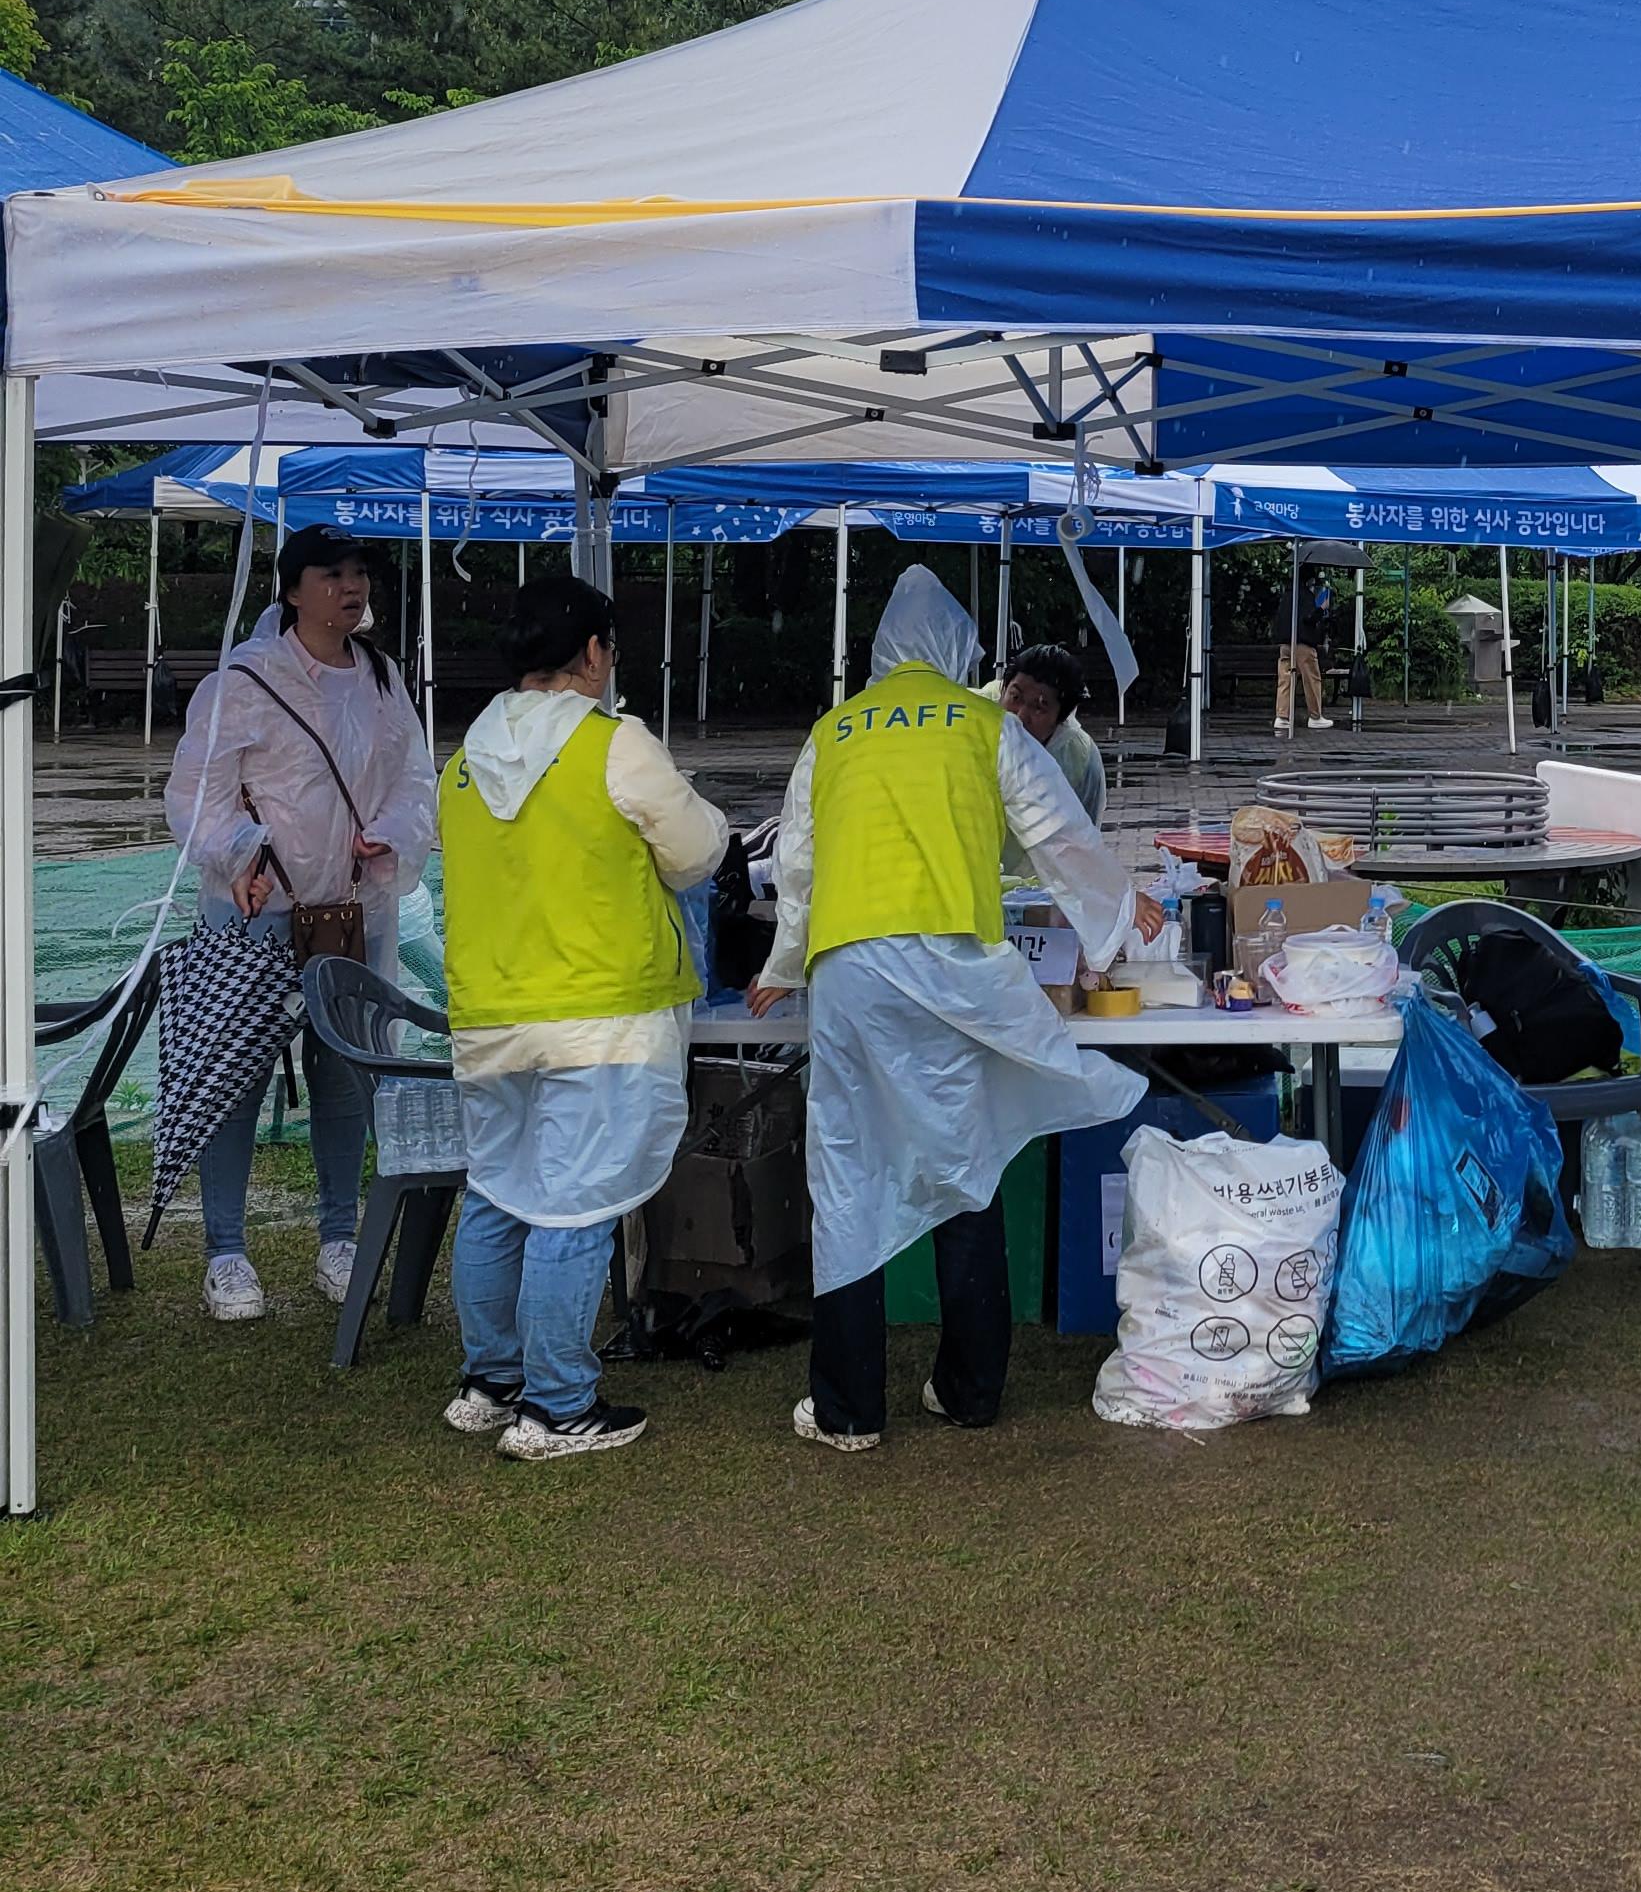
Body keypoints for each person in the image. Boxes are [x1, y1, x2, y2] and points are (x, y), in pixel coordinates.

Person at [749, 567, 1162, 1450]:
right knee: (965, 1163)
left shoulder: (834, 732)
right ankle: (971, 1389)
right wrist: (1121, 912)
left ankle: (848, 1408)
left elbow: (797, 865)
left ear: (883, 650)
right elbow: (1058, 831)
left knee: (846, 1175)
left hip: (851, 971)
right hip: (954, 969)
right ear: (958, 652)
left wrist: (784, 963)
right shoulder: (985, 726)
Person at [437, 576, 731, 1461]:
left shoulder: (462, 759)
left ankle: (490, 1382)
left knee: (498, 1195)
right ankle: (558, 1406)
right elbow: (696, 853)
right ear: (595, 653)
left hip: (491, 1014)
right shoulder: (615, 743)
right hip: (602, 1014)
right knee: (575, 1208)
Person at [164, 524, 436, 1324]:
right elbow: (196, 793)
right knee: (235, 1074)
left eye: (359, 574)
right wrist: (238, 853)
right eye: (332, 575)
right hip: (255, 913)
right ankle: (225, 1251)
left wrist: (389, 833)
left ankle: (339, 1238)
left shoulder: (382, 676)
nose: (351, 588)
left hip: (352, 912)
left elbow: (415, 779)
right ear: (292, 590)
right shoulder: (243, 683)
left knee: (345, 1074)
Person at [1001, 640, 1106, 837]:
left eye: (1039, 707)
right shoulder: (971, 716)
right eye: (1015, 697)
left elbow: (1085, 839)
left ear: (1061, 718)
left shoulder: (1080, 758)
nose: (1020, 716)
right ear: (1003, 690)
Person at [1277, 568, 1333, 736]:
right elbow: (1308, 618)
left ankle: (1282, 716)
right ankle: (1315, 716)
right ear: (1308, 581)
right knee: (1312, 679)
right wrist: (1321, 608)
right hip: (1303, 642)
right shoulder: (1305, 595)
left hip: (1285, 642)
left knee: (1285, 679)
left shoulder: (1287, 595)